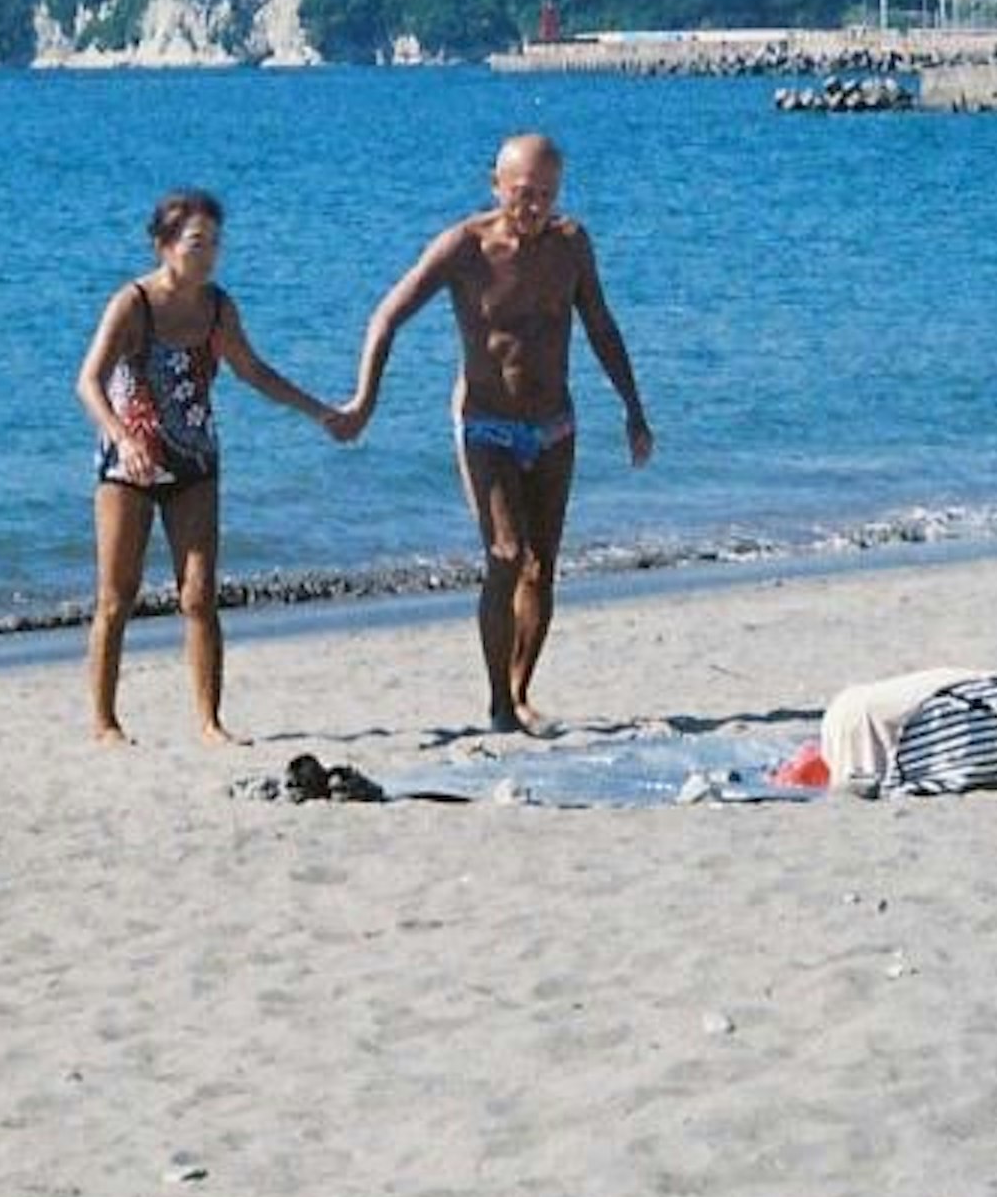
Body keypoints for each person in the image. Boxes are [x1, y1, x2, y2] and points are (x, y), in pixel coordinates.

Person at [339, 132, 652, 733]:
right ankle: (498, 705)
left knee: (542, 567)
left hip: (556, 423)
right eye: (521, 193)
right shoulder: (465, 247)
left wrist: (633, 410)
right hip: (486, 423)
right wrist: (364, 400)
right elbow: (387, 318)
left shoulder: (572, 244)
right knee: (506, 554)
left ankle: (520, 687)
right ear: (495, 186)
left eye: (545, 194)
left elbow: (601, 327)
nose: (533, 206)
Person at [77, 187, 353, 746]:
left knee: (199, 595)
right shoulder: (134, 303)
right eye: (196, 243)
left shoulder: (218, 308)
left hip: (196, 461)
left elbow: (254, 371)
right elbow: (87, 382)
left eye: (215, 244)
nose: (208, 255)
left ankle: (209, 722)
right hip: (129, 467)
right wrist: (122, 436)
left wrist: (321, 412)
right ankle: (105, 722)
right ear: (164, 245)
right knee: (116, 595)